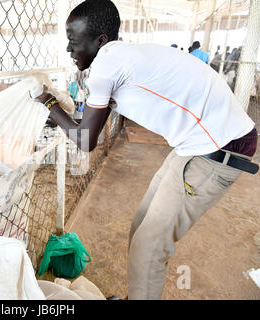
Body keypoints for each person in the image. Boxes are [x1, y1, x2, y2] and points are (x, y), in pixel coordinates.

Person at [33, 0, 257, 300]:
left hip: (217, 148)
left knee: (149, 248)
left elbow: (86, 140)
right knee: (141, 228)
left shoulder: (106, 66)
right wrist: (60, 110)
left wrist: (49, 106)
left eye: (74, 43)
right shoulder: (120, 56)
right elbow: (88, 127)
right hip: (197, 144)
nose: (69, 51)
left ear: (100, 41)